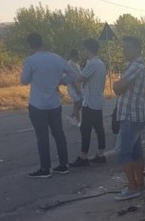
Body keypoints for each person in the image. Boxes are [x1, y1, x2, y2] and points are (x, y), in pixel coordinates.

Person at [20, 32, 78, 178]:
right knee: (59, 134)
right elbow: (73, 74)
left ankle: (45, 168)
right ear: (42, 42)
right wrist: (61, 81)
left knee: (42, 137)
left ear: (30, 45)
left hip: (37, 104)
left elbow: (24, 80)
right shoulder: (56, 58)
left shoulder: (30, 61)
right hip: (54, 103)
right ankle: (63, 165)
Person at [113, 36, 145, 200]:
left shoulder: (135, 66)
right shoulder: (135, 66)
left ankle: (132, 187)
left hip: (130, 116)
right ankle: (140, 185)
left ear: (137, 49)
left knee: (123, 152)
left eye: (127, 47)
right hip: (134, 116)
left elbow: (118, 88)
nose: (124, 51)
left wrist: (116, 85)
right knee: (135, 153)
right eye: (123, 47)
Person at [69, 38, 107, 167]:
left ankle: (83, 156)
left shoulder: (92, 64)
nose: (83, 51)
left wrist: (69, 77)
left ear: (88, 49)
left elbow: (81, 78)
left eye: (84, 49)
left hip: (90, 102)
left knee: (85, 130)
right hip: (97, 100)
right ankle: (100, 154)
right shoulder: (100, 63)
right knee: (99, 129)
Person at [65, 49, 83, 126]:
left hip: (79, 86)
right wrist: (76, 89)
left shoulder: (76, 64)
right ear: (74, 55)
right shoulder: (69, 64)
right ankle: (79, 121)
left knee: (81, 103)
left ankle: (71, 116)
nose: (79, 56)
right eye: (78, 55)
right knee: (77, 103)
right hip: (73, 87)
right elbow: (71, 77)